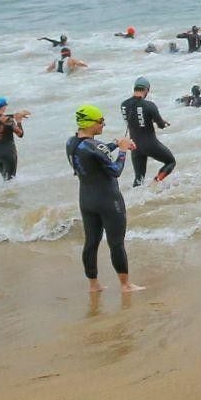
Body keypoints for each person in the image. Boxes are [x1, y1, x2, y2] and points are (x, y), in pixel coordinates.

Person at [67, 105, 140, 294]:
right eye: (101, 121)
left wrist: (115, 144)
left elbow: (93, 153)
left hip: (86, 200)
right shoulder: (95, 146)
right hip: (108, 200)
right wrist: (123, 150)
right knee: (116, 243)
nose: (103, 124)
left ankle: (93, 285)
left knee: (91, 242)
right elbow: (115, 170)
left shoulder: (72, 143)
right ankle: (125, 285)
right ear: (91, 123)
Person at [121, 78, 176, 185]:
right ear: (146, 90)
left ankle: (134, 198)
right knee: (170, 162)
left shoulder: (124, 104)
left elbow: (134, 119)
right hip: (150, 144)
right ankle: (156, 182)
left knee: (139, 177)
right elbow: (161, 125)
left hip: (134, 145)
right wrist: (161, 122)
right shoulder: (149, 105)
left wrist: (150, 118)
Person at [0, 98, 26, 180]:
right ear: (4, 106)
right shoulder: (8, 120)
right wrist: (19, 121)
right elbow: (20, 134)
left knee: (5, 179)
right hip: (8, 153)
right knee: (10, 180)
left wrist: (14, 115)